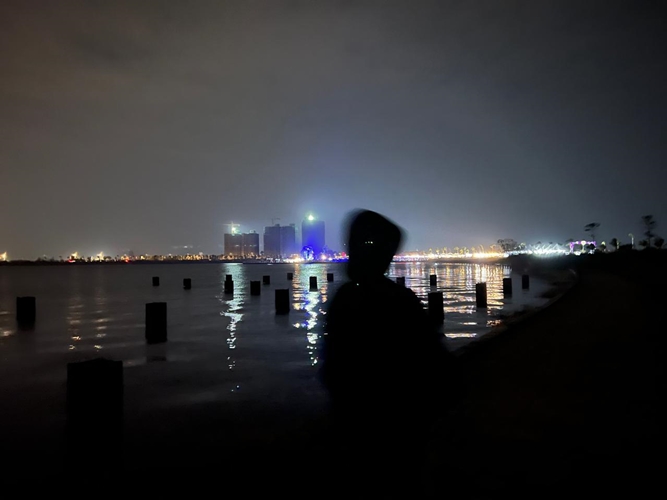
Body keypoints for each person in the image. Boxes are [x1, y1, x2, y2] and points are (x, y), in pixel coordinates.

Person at [320, 209, 461, 497]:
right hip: (401, 426)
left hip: (367, 425)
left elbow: (334, 367)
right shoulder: (398, 299)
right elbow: (435, 360)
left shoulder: (347, 299)